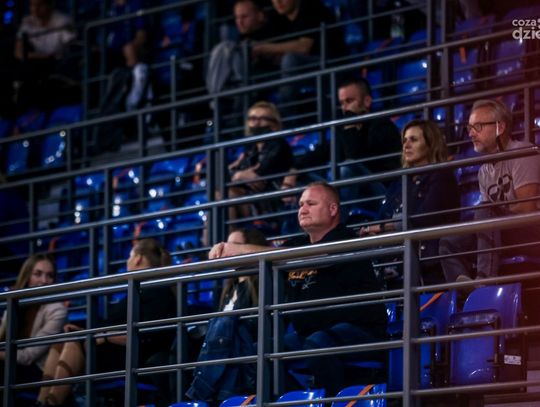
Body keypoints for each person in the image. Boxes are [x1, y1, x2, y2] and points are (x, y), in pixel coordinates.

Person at [209, 182, 387, 395]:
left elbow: (309, 256)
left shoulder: (345, 238)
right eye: (301, 204)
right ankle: (297, 399)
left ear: (332, 209)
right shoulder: (298, 244)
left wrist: (238, 249)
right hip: (311, 334)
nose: (303, 209)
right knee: (257, 352)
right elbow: (265, 258)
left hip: (359, 331)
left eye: (311, 204)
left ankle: (338, 401)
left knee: (317, 343)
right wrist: (227, 252)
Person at [37, 238, 176, 406]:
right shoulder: (140, 288)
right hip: (113, 349)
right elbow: (112, 325)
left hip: (132, 357)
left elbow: (145, 336)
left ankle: (52, 403)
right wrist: (84, 330)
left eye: (130, 256)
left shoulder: (158, 291)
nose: (128, 260)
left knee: (74, 341)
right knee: (61, 341)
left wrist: (104, 335)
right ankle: (41, 402)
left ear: (138, 258)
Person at [439, 99, 540, 283]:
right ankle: (463, 292)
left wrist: (491, 217)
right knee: (449, 241)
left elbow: (527, 209)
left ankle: (485, 282)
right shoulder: (483, 171)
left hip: (531, 233)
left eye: (477, 127)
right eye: (469, 128)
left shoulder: (524, 152)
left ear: (500, 127)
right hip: (500, 232)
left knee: (486, 210)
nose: (471, 134)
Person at [359, 119, 460, 285]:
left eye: (414, 140)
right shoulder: (401, 180)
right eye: (404, 140)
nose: (406, 145)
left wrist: (383, 228)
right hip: (395, 256)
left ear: (430, 144)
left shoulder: (442, 176)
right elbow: (382, 216)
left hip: (427, 261)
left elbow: (424, 218)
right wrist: (374, 232)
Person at [282, 78, 402, 217]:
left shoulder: (382, 126)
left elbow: (356, 158)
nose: (345, 108)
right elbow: (320, 153)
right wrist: (293, 172)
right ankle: (301, 228)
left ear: (367, 101)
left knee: (347, 168)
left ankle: (334, 222)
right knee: (304, 180)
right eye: (342, 103)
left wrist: (350, 126)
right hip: (352, 191)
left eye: (349, 101)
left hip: (382, 193)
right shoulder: (343, 130)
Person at [186, 227, 269, 402]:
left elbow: (256, 325)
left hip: (243, 343)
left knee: (225, 328)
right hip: (225, 346)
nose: (229, 251)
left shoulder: (263, 283)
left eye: (236, 245)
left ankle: (202, 393)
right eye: (227, 245)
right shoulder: (230, 288)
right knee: (184, 338)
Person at [252, 0, 342, 102]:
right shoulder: (278, 18)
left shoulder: (312, 8)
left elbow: (304, 47)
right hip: (298, 71)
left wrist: (264, 48)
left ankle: (285, 108)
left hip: (330, 65)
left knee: (290, 59)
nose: (278, 2)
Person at [0, 254, 67, 386]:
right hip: (10, 363)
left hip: (35, 370)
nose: (44, 280)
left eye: (50, 275)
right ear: (27, 277)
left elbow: (28, 357)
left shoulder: (57, 310)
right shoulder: (14, 302)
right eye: (38, 274)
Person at [226, 101, 293, 226]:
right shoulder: (251, 149)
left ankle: (225, 237)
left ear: (274, 124)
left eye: (262, 119)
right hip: (249, 199)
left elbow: (259, 175)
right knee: (219, 196)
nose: (256, 123)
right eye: (252, 119)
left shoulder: (279, 145)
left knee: (228, 195)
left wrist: (238, 175)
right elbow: (228, 174)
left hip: (269, 202)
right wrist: (239, 175)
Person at [206, 0, 277, 96]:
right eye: (237, 18)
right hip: (242, 78)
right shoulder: (240, 38)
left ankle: (215, 97)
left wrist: (261, 51)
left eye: (244, 17)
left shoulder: (272, 32)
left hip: (263, 78)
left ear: (260, 16)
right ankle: (217, 96)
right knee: (225, 48)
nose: (239, 22)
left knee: (226, 47)